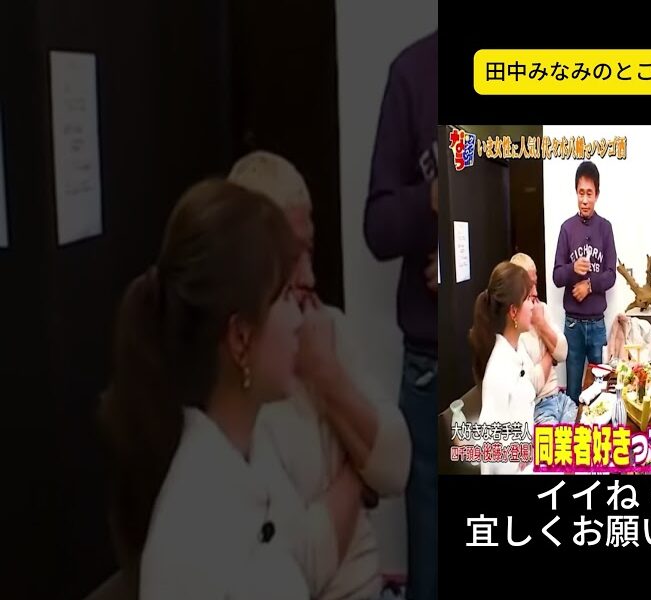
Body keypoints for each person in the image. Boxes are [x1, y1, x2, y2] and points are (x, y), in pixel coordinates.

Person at [100, 179, 364, 600]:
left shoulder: (249, 456)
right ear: (241, 338)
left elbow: (305, 556)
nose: (299, 320)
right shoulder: (195, 528)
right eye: (284, 298)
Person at [230, 151, 411, 600]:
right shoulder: (242, 375)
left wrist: (327, 373)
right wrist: (359, 473)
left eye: (309, 251)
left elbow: (396, 467)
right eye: (292, 257)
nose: (309, 276)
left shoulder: (325, 327)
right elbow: (298, 563)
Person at [363, 32, 438, 600]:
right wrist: (435, 196)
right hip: (435, 363)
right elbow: (379, 227)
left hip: (530, 353)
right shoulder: (413, 72)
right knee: (431, 562)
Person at [552, 160, 617, 402]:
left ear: (597, 194)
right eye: (581, 193)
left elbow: (611, 274)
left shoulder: (605, 228)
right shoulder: (567, 229)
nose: (585, 200)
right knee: (573, 392)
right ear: (576, 193)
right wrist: (572, 269)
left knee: (602, 392)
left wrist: (589, 285)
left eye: (590, 193)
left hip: (597, 325)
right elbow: (556, 276)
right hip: (573, 326)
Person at [469, 262, 538, 474]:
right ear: (514, 311)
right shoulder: (499, 371)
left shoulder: (519, 350)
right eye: (528, 299)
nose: (533, 306)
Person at [509, 252, 576, 424]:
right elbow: (533, 385)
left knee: (588, 426)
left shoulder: (541, 309)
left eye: (535, 283)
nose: (535, 292)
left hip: (558, 398)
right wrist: (551, 354)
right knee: (562, 440)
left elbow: (563, 352)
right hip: (537, 407)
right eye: (529, 286)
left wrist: (541, 323)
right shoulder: (513, 325)